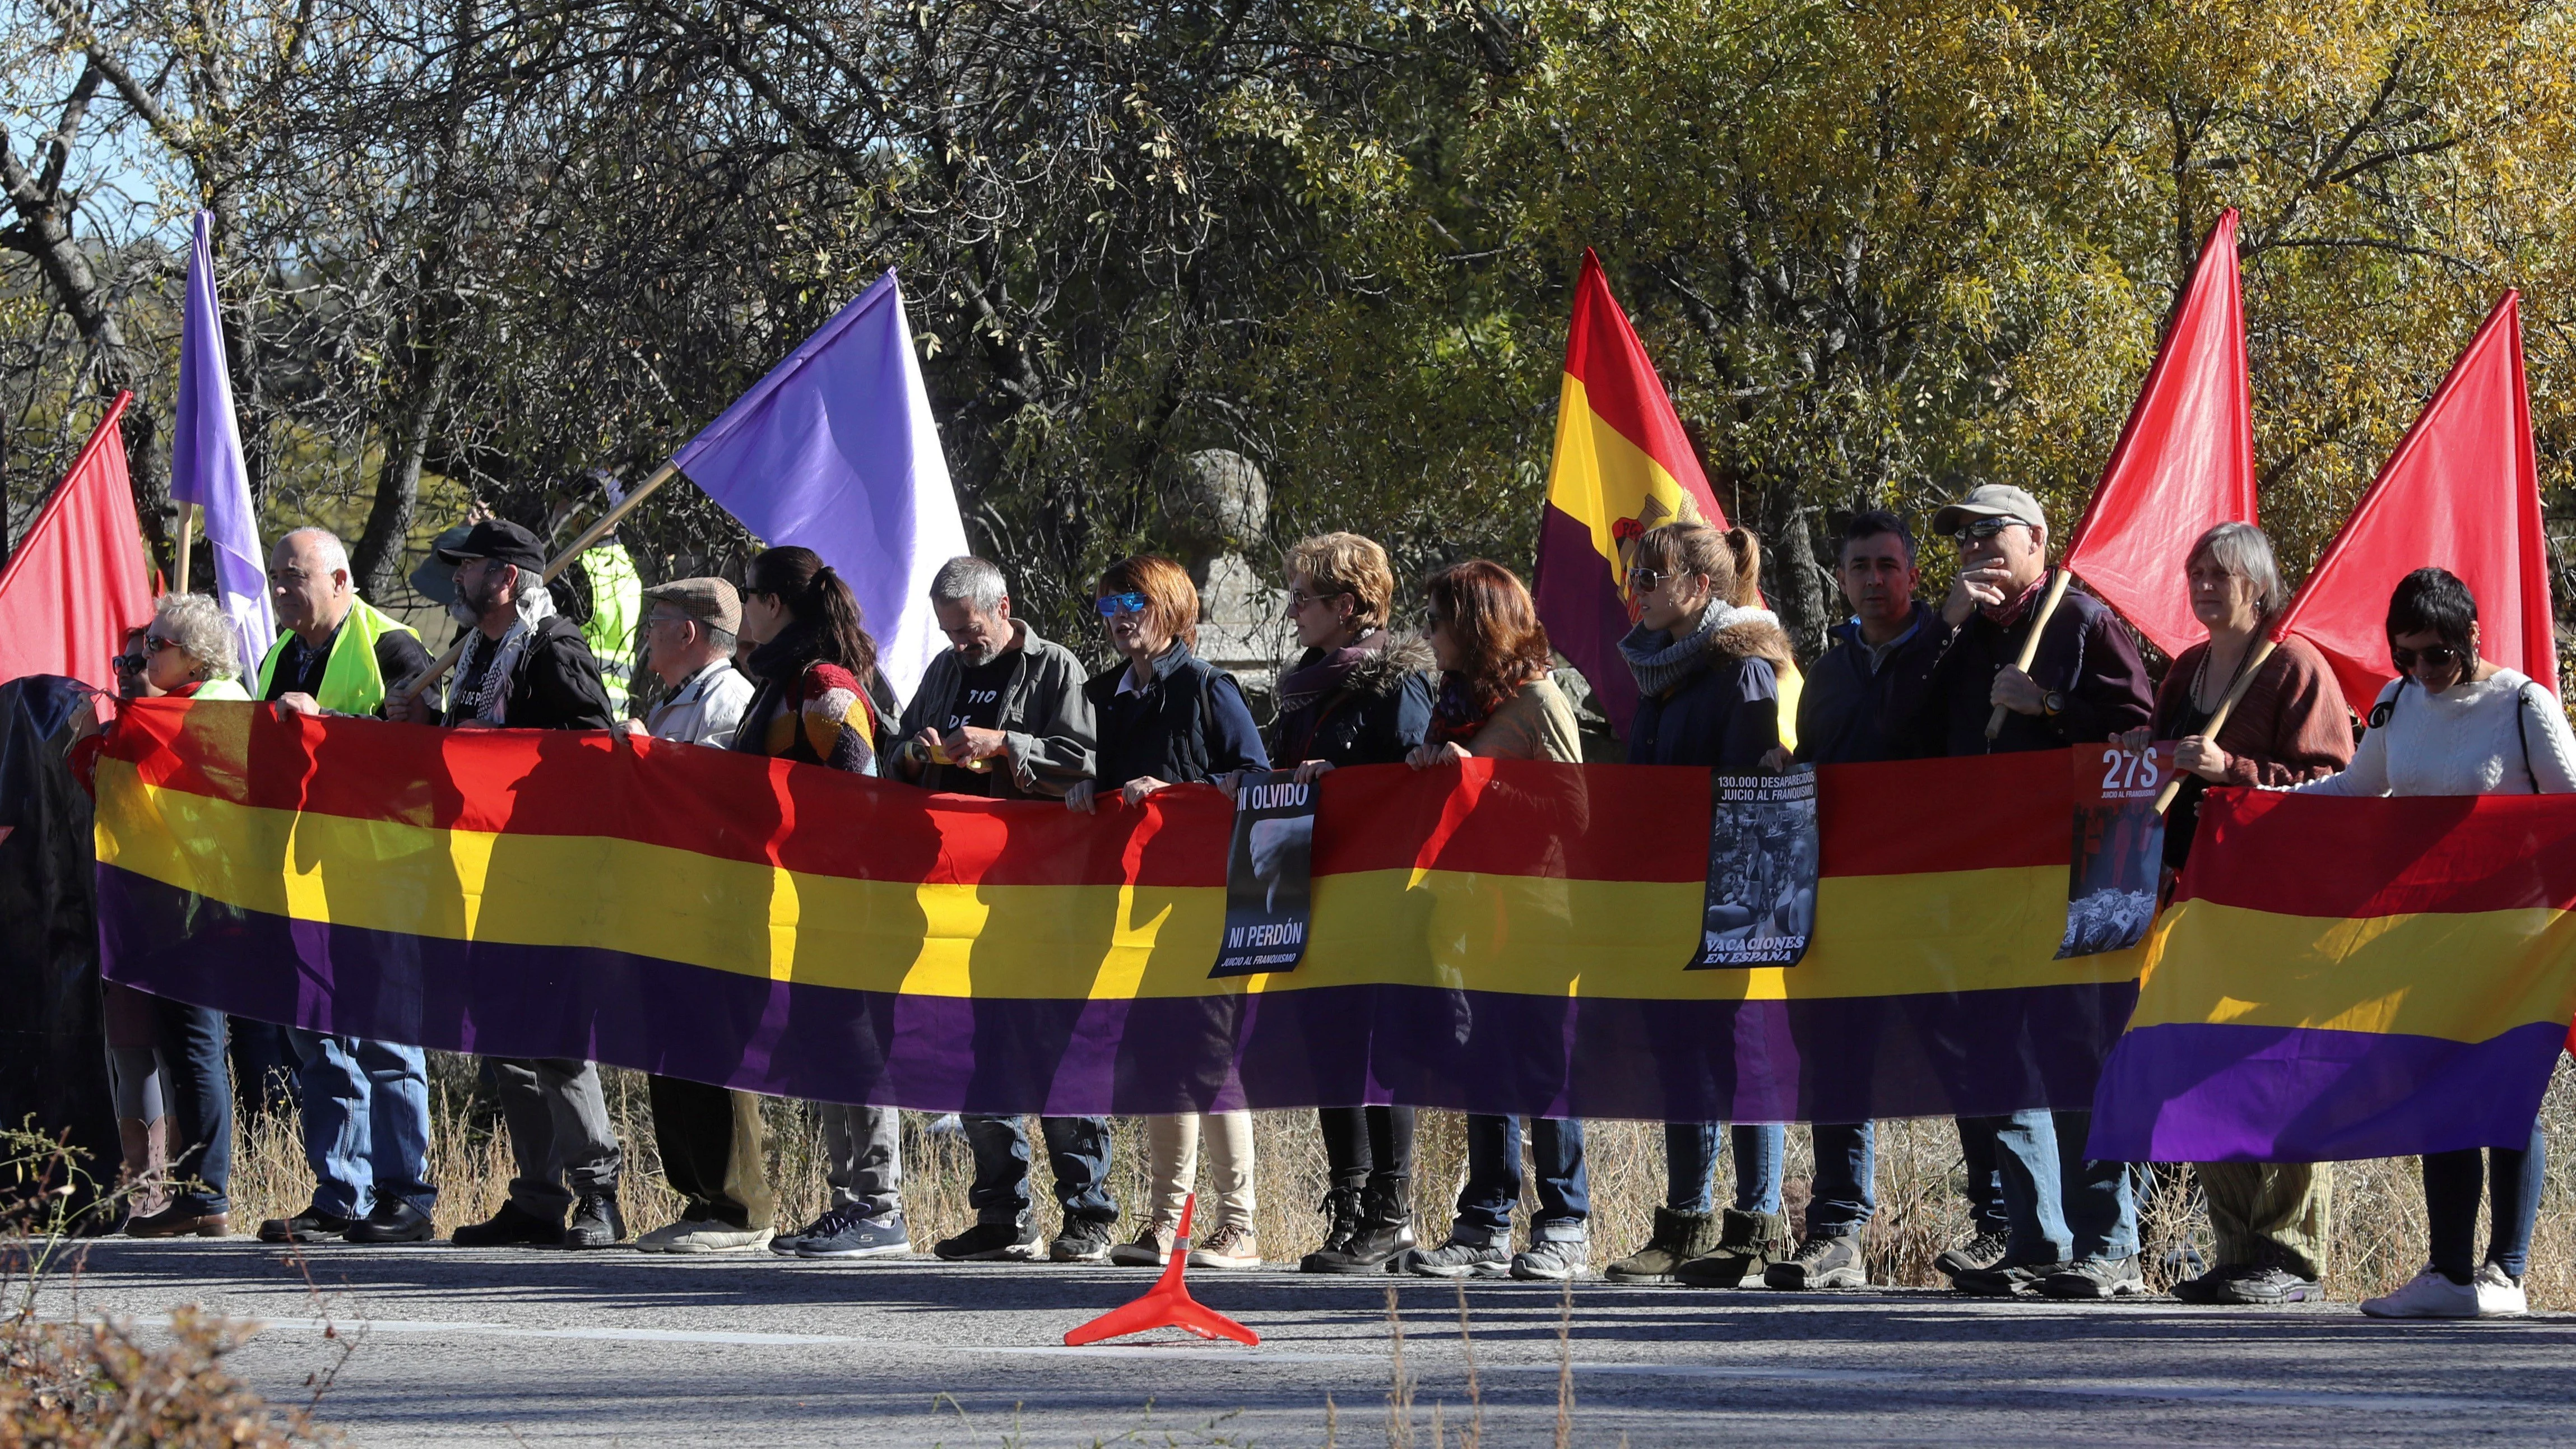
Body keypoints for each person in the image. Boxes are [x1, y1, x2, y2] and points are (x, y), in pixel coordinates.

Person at [2295, 568, 2576, 1320]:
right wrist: (2262, 803)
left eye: (2437, 656)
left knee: (2507, 1087)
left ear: (2471, 639)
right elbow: (2359, 790)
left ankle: (2505, 1274)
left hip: (2520, 933)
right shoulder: (2396, 704)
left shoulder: (2522, 705)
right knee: (2440, 1089)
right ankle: (2449, 1273)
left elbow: (2571, 810)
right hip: (2427, 933)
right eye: (2405, 656)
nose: (2422, 672)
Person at [1900, 483, 2153, 1300]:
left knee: (2078, 1052)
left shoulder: (2081, 621)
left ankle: (2107, 1243)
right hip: (1981, 880)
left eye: (1989, 534)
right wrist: (1940, 627)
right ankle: (2036, 1237)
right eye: (1961, 538)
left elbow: (2137, 734)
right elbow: (1898, 727)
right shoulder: (1960, 635)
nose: (1973, 548)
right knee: (1995, 1055)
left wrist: (2045, 703)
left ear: (2038, 539)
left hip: (2074, 875)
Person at [2105, 524, 2353, 1306]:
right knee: (2200, 1064)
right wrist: (2139, 749)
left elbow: (2332, 784)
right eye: (2194, 573)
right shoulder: (2182, 673)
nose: (2202, 586)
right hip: (2194, 904)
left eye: (2219, 574)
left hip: (2277, 909)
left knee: (2275, 1071)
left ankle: (2289, 1256)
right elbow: (2164, 774)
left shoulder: (2293, 668)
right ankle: (2235, 1247)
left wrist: (2234, 769)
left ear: (2257, 584)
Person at [398, 519, 630, 1250]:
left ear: (505, 577)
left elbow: (596, 749)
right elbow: (462, 749)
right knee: (505, 1036)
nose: (457, 580)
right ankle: (537, 1196)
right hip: (482, 869)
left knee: (556, 1036)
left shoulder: (553, 646)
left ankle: (599, 1193)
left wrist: (497, 755)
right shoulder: (474, 652)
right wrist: (421, 724)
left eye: (467, 568)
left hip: (550, 870)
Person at [1595, 522, 1795, 1288]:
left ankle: (1757, 1227)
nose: (1635, 590)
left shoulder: (1740, 667)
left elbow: (1746, 787)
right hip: (1667, 891)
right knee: (1680, 1049)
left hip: (1732, 889)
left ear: (1699, 588)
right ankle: (1683, 1224)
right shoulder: (1659, 668)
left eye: (1650, 577)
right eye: (1634, 577)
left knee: (1741, 1055)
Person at [1758, 510, 1946, 1290]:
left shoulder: (1947, 655)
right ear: (1840, 577)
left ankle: (2009, 1229)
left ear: (1912, 574)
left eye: (1887, 565)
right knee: (1836, 1059)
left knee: (1962, 1056)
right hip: (1836, 900)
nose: (1874, 579)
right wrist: (1787, 758)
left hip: (1935, 899)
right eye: (1859, 567)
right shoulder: (1829, 670)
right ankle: (1838, 1232)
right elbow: (1832, 762)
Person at [1067, 555, 1268, 1271]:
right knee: (1160, 1059)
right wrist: (1086, 789)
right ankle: (1165, 1225)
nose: (1120, 615)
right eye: (1108, 603)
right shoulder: (1105, 695)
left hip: (1208, 897)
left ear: (1173, 605)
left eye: (1134, 600)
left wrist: (1180, 792)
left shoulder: (1210, 687)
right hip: (1139, 904)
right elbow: (1108, 780)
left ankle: (1239, 1227)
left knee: (1212, 1060)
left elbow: (1257, 775)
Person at [1242, 533, 1432, 1275]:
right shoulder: (1304, 685)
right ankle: (1348, 1205)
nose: (1292, 613)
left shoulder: (1399, 681)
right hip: (1307, 883)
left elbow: (1410, 778)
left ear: (1348, 607)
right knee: (1330, 1051)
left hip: (1377, 892)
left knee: (1379, 1051)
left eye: (1304, 600)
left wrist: (1343, 774)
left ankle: (1392, 1213)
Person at [1395, 561, 1589, 1282]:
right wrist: (1430, 769)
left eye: (1439, 620)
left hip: (1539, 914)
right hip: (1473, 914)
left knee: (1544, 1068)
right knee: (1484, 1069)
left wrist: (1479, 777)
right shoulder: (1457, 703)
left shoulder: (1540, 700)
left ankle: (1566, 1224)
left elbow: (1576, 816)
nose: (1429, 634)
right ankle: (1483, 1227)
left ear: (1476, 626)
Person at [252, 528, 442, 1247]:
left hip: (382, 870)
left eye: (292, 577)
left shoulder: (393, 648)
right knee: (316, 1033)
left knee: (388, 1034)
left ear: (339, 581)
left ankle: (405, 1195)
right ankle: (340, 1192)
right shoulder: (278, 655)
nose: (278, 589)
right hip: (304, 871)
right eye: (274, 576)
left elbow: (426, 753)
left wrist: (324, 725)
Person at [727, 546, 915, 1258]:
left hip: (849, 894)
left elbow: (860, 781)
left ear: (774, 603)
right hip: (807, 892)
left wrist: (836, 865)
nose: (744, 607)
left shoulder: (822, 684)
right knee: (825, 1041)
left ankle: (878, 1206)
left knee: (852, 1040)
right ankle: (849, 1202)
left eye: (750, 595)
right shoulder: (781, 681)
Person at [616, 578, 781, 1254]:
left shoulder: (729, 698)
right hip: (671, 901)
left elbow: (722, 791)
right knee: (673, 1048)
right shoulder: (677, 699)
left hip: (713, 903)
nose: (647, 633)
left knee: (713, 1049)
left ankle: (743, 1208)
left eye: (656, 621)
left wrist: (647, 756)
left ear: (688, 632)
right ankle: (703, 1196)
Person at [117, 593, 250, 1238]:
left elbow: (190, 778)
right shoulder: (173, 704)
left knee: (197, 1046)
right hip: (167, 895)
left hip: (205, 899)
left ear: (195, 656)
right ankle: (194, 1193)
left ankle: (209, 1195)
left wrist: (143, 709)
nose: (146, 652)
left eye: (159, 645)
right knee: (175, 1044)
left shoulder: (220, 702)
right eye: (146, 640)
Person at [892, 556, 1096, 798]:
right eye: (949, 633)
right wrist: (915, 754)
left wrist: (1002, 743)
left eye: (970, 630)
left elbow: (1083, 766)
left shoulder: (1055, 667)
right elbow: (893, 752)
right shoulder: (943, 668)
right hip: (939, 831)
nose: (959, 645)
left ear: (1003, 609)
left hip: (1014, 834)